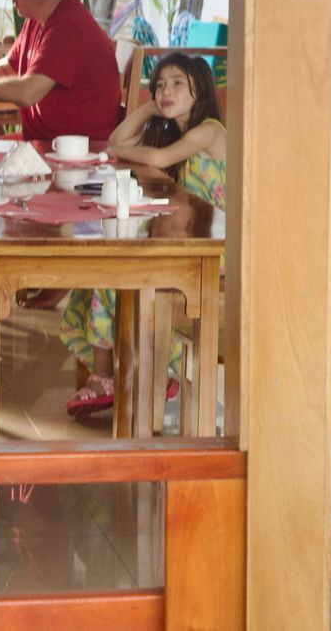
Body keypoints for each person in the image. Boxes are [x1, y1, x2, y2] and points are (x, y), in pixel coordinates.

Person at [61, 53, 227, 415]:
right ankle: (124, 372)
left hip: (217, 250)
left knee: (113, 272)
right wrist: (152, 107)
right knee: (98, 271)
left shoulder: (210, 129)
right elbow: (117, 137)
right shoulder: (176, 128)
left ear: (200, 86)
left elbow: (155, 160)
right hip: (188, 239)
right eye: (160, 85)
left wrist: (118, 150)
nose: (166, 90)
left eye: (177, 83)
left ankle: (118, 374)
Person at [0, 0, 120, 142]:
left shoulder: (68, 25)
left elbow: (27, 92)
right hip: (49, 144)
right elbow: (8, 67)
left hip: (79, 154)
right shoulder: (37, 20)